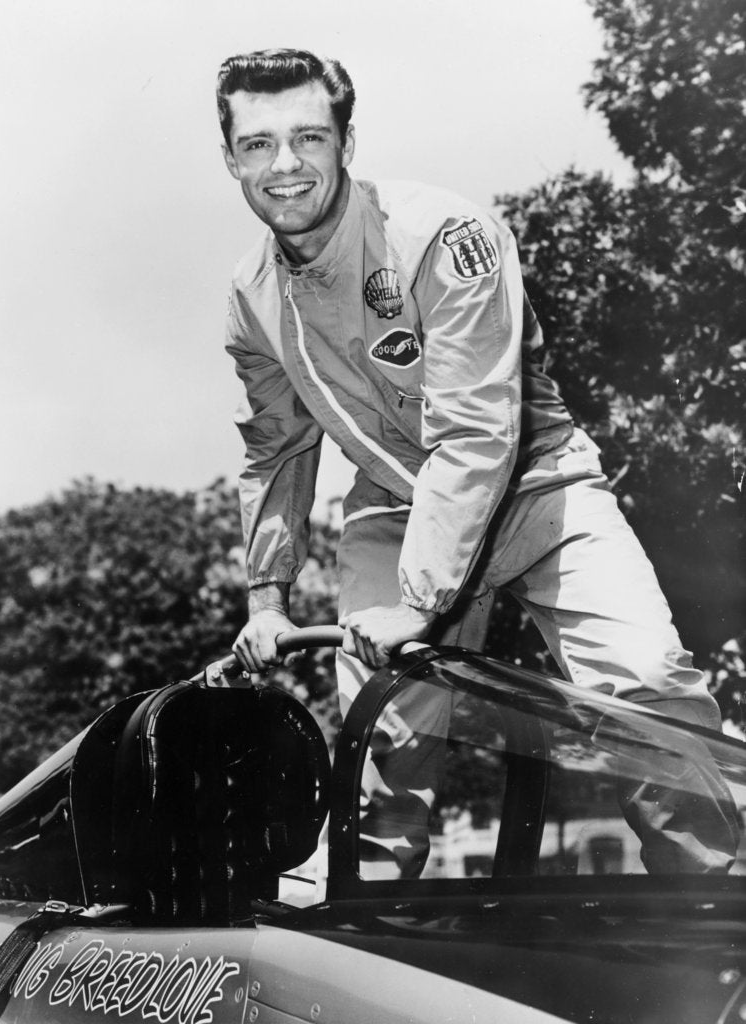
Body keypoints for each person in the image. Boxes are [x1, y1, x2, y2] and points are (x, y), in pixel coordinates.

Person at [217, 48, 739, 874]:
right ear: (230, 159)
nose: (284, 166)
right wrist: (266, 598)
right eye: (257, 145)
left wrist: (418, 603)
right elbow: (277, 447)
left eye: (308, 138)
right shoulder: (252, 298)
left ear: (345, 144)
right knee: (382, 743)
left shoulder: (444, 236)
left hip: (538, 488)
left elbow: (476, 432)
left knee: (647, 692)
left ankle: (720, 906)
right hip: (395, 500)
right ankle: (355, 936)